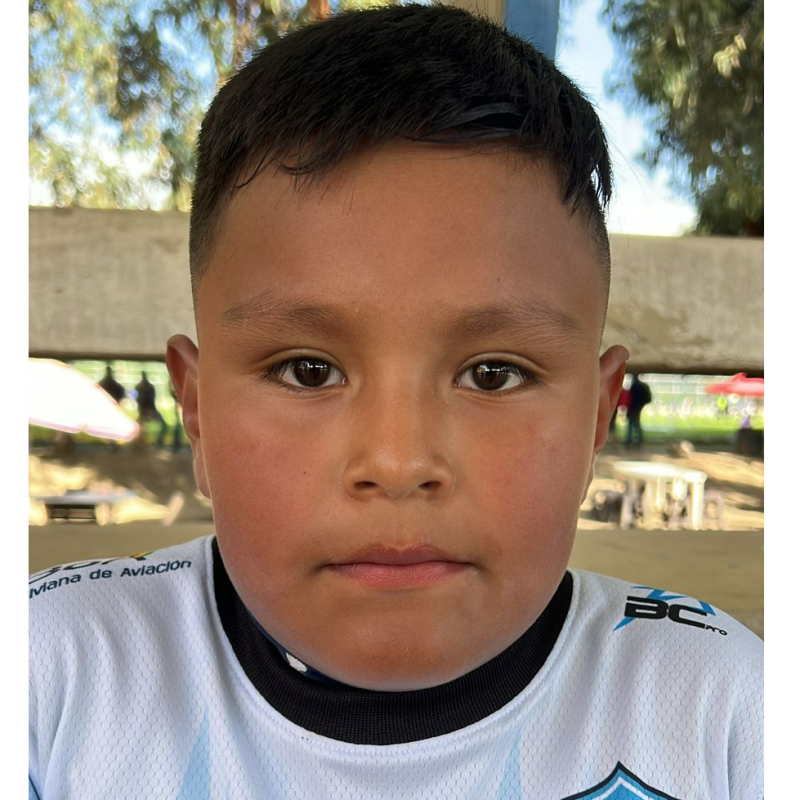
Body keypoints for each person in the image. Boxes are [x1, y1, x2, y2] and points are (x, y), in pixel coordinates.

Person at [28, 5, 764, 798]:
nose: (399, 461)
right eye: (308, 371)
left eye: (493, 374)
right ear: (198, 414)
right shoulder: (61, 670)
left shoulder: (716, 706)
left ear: (596, 420)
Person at [625, 374, 652, 449]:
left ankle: (629, 441)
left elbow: (630, 398)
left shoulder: (634, 386)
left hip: (633, 407)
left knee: (631, 425)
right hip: (638, 407)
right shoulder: (642, 386)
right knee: (636, 424)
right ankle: (638, 441)